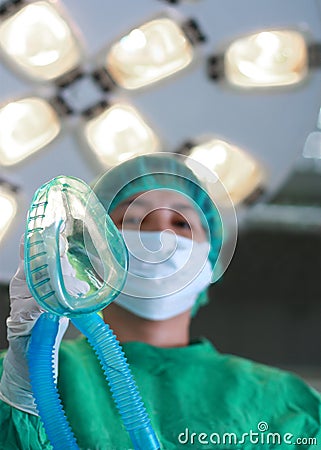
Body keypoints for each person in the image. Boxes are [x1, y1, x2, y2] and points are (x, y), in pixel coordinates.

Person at [0, 153, 320, 450]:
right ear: (90, 254)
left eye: (181, 223)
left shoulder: (286, 402)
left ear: (211, 259)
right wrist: (21, 396)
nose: (161, 236)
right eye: (132, 220)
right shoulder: (19, 374)